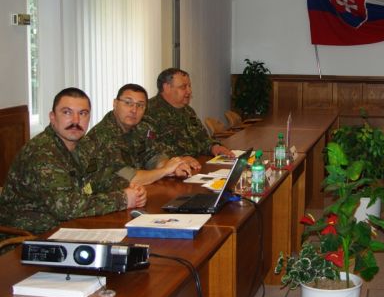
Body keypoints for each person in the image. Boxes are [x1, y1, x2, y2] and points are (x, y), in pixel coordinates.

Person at [0, 88, 146, 236]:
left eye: (82, 113)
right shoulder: (42, 153)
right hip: (27, 237)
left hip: (68, 227)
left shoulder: (82, 145)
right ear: (52, 117)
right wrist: (123, 198)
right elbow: (66, 208)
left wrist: (131, 189)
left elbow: (100, 178)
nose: (76, 121)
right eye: (67, 112)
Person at [86, 83, 201, 186]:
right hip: (101, 197)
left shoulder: (143, 127)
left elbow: (153, 156)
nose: (134, 110)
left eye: (140, 105)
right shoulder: (103, 136)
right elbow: (129, 178)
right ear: (115, 103)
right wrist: (165, 171)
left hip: (137, 192)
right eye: (128, 103)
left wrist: (172, 166)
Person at [145, 68, 234, 158]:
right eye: (183, 87)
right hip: (173, 165)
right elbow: (151, 151)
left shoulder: (188, 111)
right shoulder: (149, 111)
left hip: (197, 162)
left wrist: (214, 147)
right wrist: (181, 159)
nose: (189, 91)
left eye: (189, 86)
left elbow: (203, 139)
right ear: (167, 87)